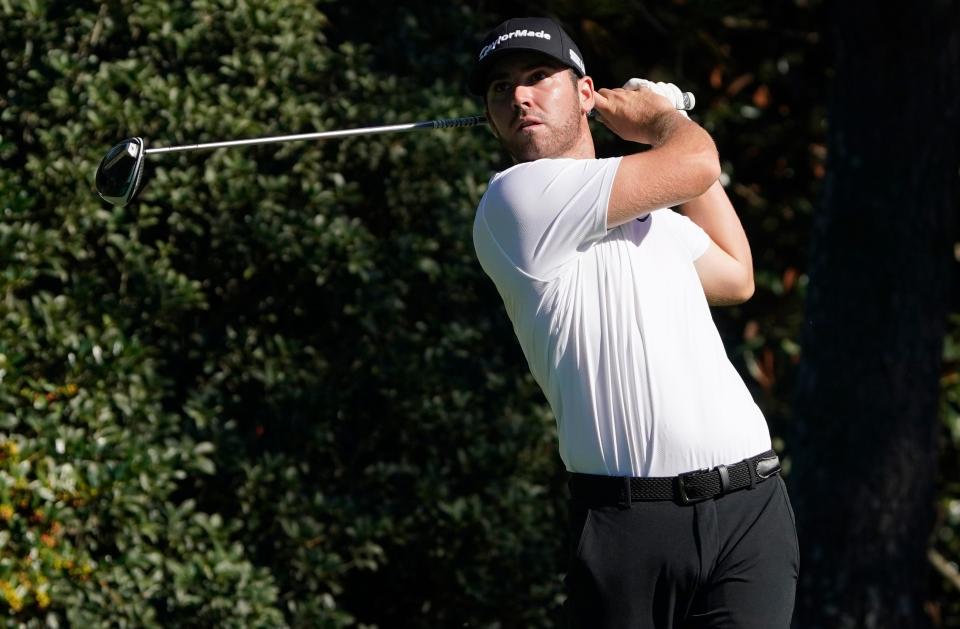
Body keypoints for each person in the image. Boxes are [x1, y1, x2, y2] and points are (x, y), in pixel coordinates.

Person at [468, 17, 799, 628]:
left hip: (751, 508)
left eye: (539, 77)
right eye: (500, 89)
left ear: (587, 94)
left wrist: (660, 137)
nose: (519, 96)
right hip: (629, 526)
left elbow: (735, 274)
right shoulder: (515, 202)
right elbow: (697, 162)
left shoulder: (645, 212)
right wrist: (662, 119)